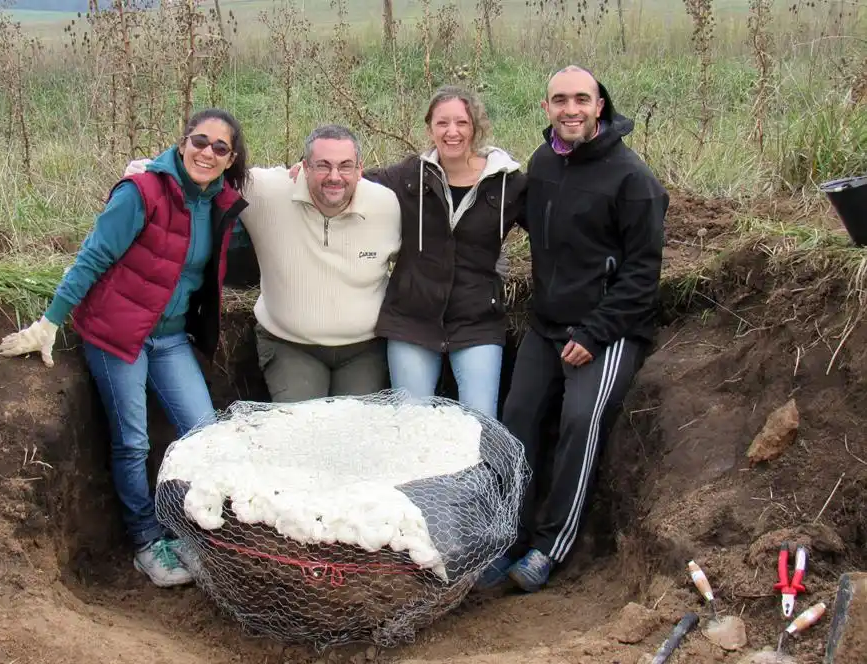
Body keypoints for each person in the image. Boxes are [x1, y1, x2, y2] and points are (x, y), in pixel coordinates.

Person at [0, 108, 251, 588]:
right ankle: (146, 541)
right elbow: (93, 256)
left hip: (171, 336)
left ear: (230, 158)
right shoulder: (142, 192)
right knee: (133, 441)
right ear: (181, 142)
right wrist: (49, 322)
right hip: (118, 335)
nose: (207, 152)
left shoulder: (221, 204)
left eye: (220, 147)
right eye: (200, 140)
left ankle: (193, 527)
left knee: (204, 432)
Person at [477, 66, 668, 592]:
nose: (571, 109)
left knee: (580, 422)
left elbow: (643, 274)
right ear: (546, 108)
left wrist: (596, 331)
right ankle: (505, 537)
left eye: (581, 99)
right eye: (560, 100)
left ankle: (548, 547)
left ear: (600, 105)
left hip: (609, 328)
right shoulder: (542, 163)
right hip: (546, 323)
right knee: (515, 419)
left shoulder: (634, 181)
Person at [126, 124, 401, 402]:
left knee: (356, 432)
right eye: (322, 165)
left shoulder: (386, 206)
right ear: (304, 167)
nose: (334, 177)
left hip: (365, 349)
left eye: (345, 166)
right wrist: (148, 179)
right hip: (291, 346)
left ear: (359, 169)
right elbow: (197, 171)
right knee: (301, 430)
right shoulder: (267, 191)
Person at [359, 85, 526, 419]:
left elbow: (555, 223)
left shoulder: (508, 182)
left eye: (461, 123)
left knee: (479, 423)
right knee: (411, 422)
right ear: (430, 128)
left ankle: (482, 475)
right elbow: (348, 181)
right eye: (442, 123)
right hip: (412, 319)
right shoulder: (408, 176)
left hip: (477, 320)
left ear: (475, 127)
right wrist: (299, 174)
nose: (452, 132)